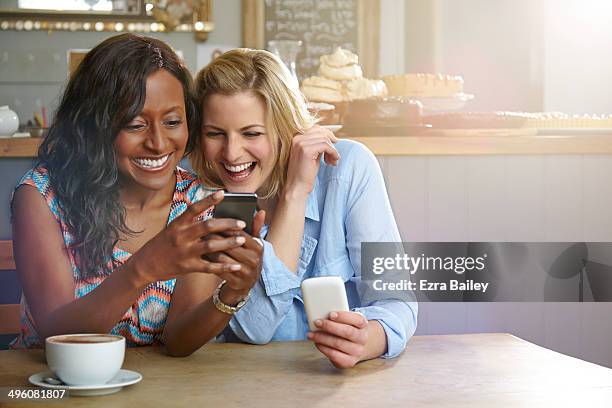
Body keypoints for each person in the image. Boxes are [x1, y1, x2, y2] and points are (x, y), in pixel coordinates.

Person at [10, 34, 264, 356]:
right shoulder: (42, 196)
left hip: (156, 392)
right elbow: (56, 337)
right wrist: (144, 268)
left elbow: (178, 342)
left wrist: (233, 292)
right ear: (96, 126)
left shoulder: (199, 202)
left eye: (173, 122)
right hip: (53, 389)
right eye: (135, 124)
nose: (158, 143)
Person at [190, 48, 418, 368]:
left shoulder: (347, 167)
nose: (231, 153)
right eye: (215, 134)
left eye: (251, 133)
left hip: (338, 387)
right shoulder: (197, 195)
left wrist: (368, 339)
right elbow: (254, 329)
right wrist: (295, 196)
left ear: (286, 129)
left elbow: (397, 301)